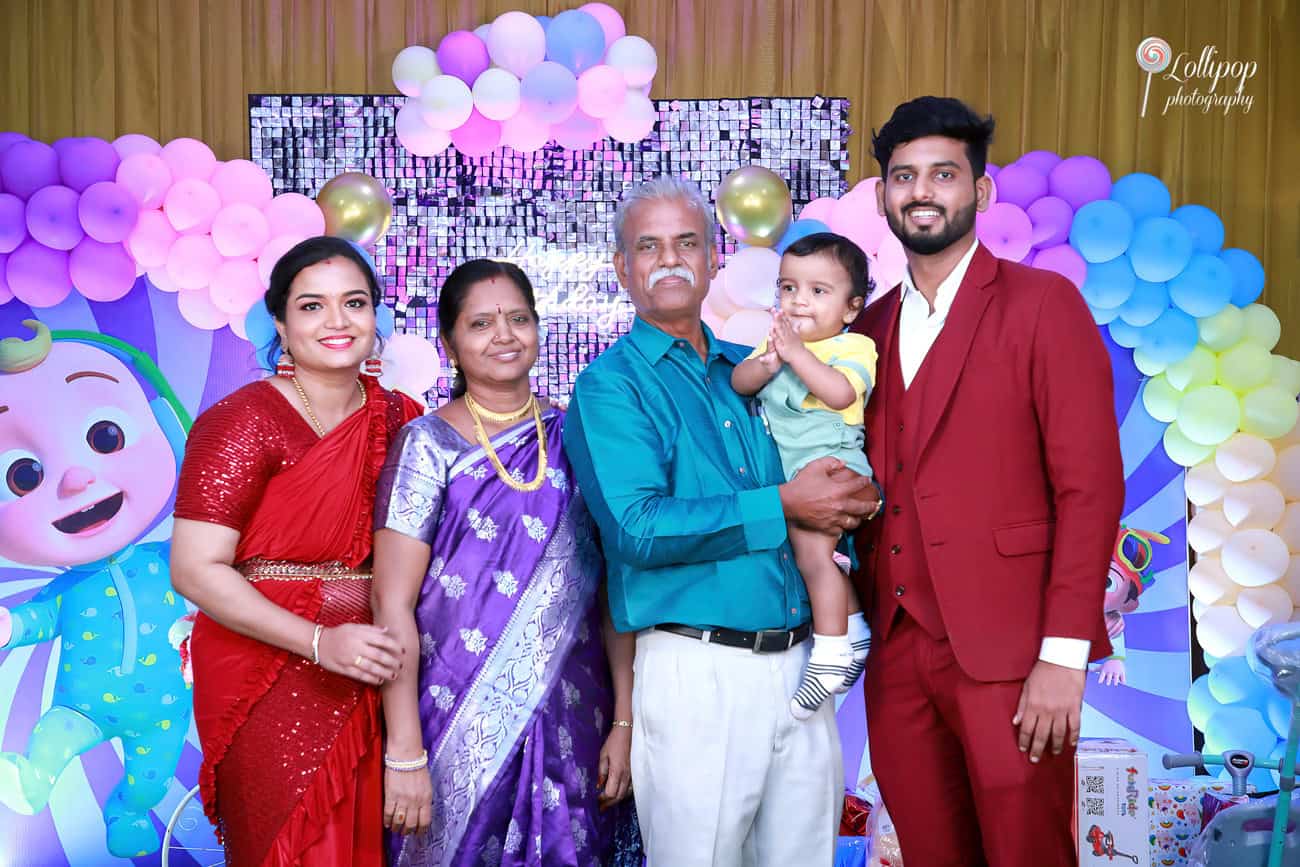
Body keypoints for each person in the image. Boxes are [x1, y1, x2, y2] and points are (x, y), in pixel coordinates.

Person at [564, 176, 880, 867]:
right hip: (697, 668)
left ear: (714, 260)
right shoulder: (610, 385)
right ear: (623, 268)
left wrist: (852, 505)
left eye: (687, 242)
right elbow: (636, 529)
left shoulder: (755, 372)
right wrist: (787, 504)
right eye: (648, 246)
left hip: (802, 665)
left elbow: (835, 473)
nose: (670, 258)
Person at [849, 96, 1124, 866]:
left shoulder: (1044, 306)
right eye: (904, 176)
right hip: (898, 652)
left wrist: (1063, 657)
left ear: (982, 191)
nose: (922, 191)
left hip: (1014, 654)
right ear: (882, 198)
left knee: (1026, 852)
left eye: (944, 173)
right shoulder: (864, 331)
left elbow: (1090, 489)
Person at [371, 258, 642, 867]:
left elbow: (612, 590)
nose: (504, 335)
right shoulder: (427, 444)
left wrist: (624, 723)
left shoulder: (580, 435)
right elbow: (390, 604)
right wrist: (405, 750)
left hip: (576, 714)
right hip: (451, 718)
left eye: (518, 319)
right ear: (450, 344)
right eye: (481, 323)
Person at [170, 236, 420, 866]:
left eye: (354, 303)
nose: (337, 322)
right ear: (279, 323)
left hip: (380, 659)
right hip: (269, 668)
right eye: (312, 307)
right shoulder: (240, 420)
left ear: (375, 316)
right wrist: (317, 641)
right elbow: (195, 570)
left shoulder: (404, 419)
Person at [731, 232, 878, 719]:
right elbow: (740, 382)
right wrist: (769, 359)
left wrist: (796, 355)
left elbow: (839, 394)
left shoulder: (853, 346)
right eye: (788, 288)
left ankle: (830, 657)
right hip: (796, 477)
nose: (799, 301)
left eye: (818, 292)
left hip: (832, 467)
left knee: (814, 557)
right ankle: (853, 631)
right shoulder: (777, 344)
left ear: (851, 307)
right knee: (818, 556)